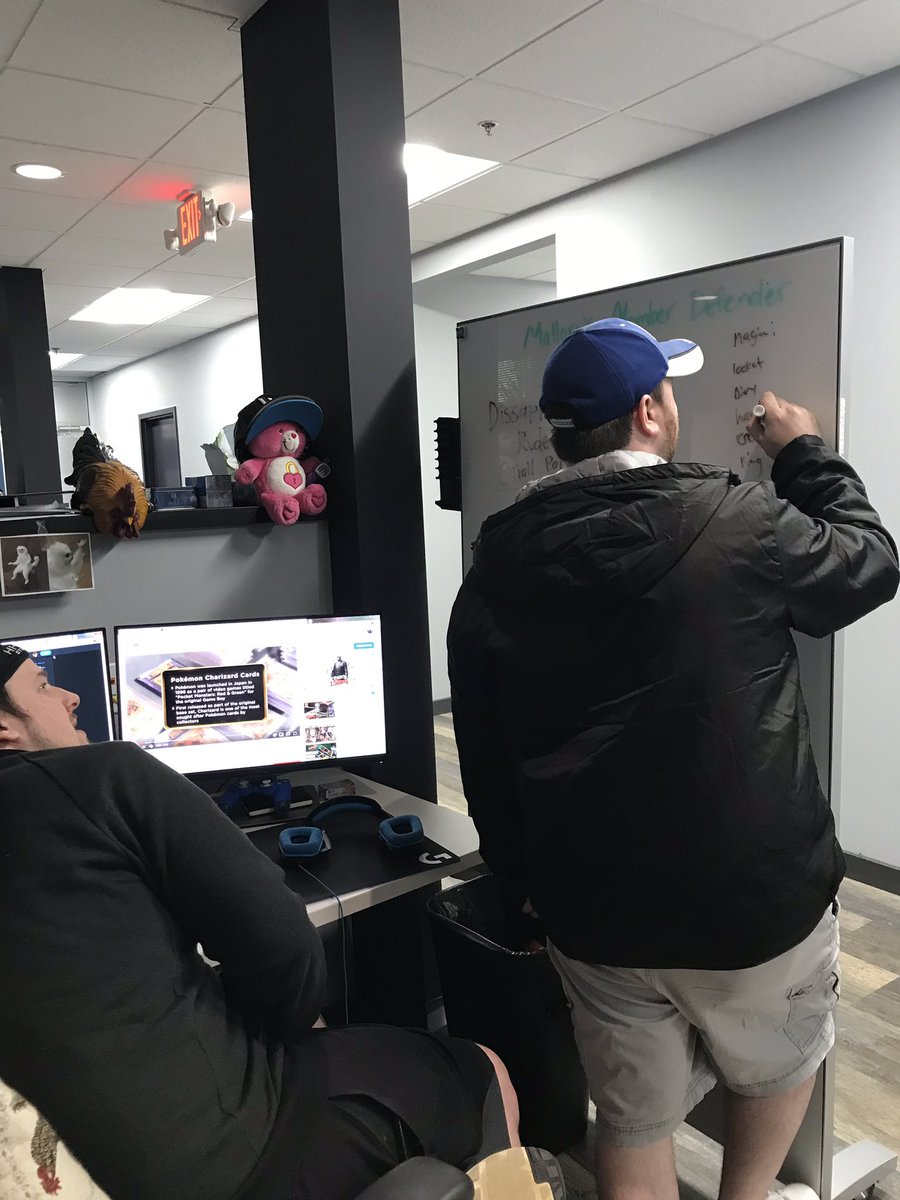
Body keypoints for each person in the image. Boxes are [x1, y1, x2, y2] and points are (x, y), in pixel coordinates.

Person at [447, 318, 899, 1200]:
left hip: (595, 913)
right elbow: (870, 564)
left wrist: (526, 890)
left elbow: (484, 751)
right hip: (755, 905)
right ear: (649, 412)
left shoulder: (494, 568)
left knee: (633, 1116)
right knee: (777, 1062)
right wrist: (805, 454)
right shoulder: (739, 522)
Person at [0, 644, 519, 1200]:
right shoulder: (103, 776)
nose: (70, 696)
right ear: (4, 728)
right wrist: (284, 1026)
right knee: (483, 1065)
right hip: (233, 1158)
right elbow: (283, 947)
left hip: (70, 1169)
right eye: (43, 686)